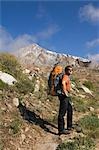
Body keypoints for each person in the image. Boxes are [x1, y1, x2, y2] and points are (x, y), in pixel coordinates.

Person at [58, 65, 73, 135]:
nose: (71, 71)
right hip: (64, 96)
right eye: (69, 70)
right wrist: (65, 92)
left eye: (71, 70)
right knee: (62, 113)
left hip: (65, 96)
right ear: (66, 70)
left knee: (70, 109)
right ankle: (61, 130)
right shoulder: (65, 76)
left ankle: (69, 126)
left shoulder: (67, 77)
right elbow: (63, 83)